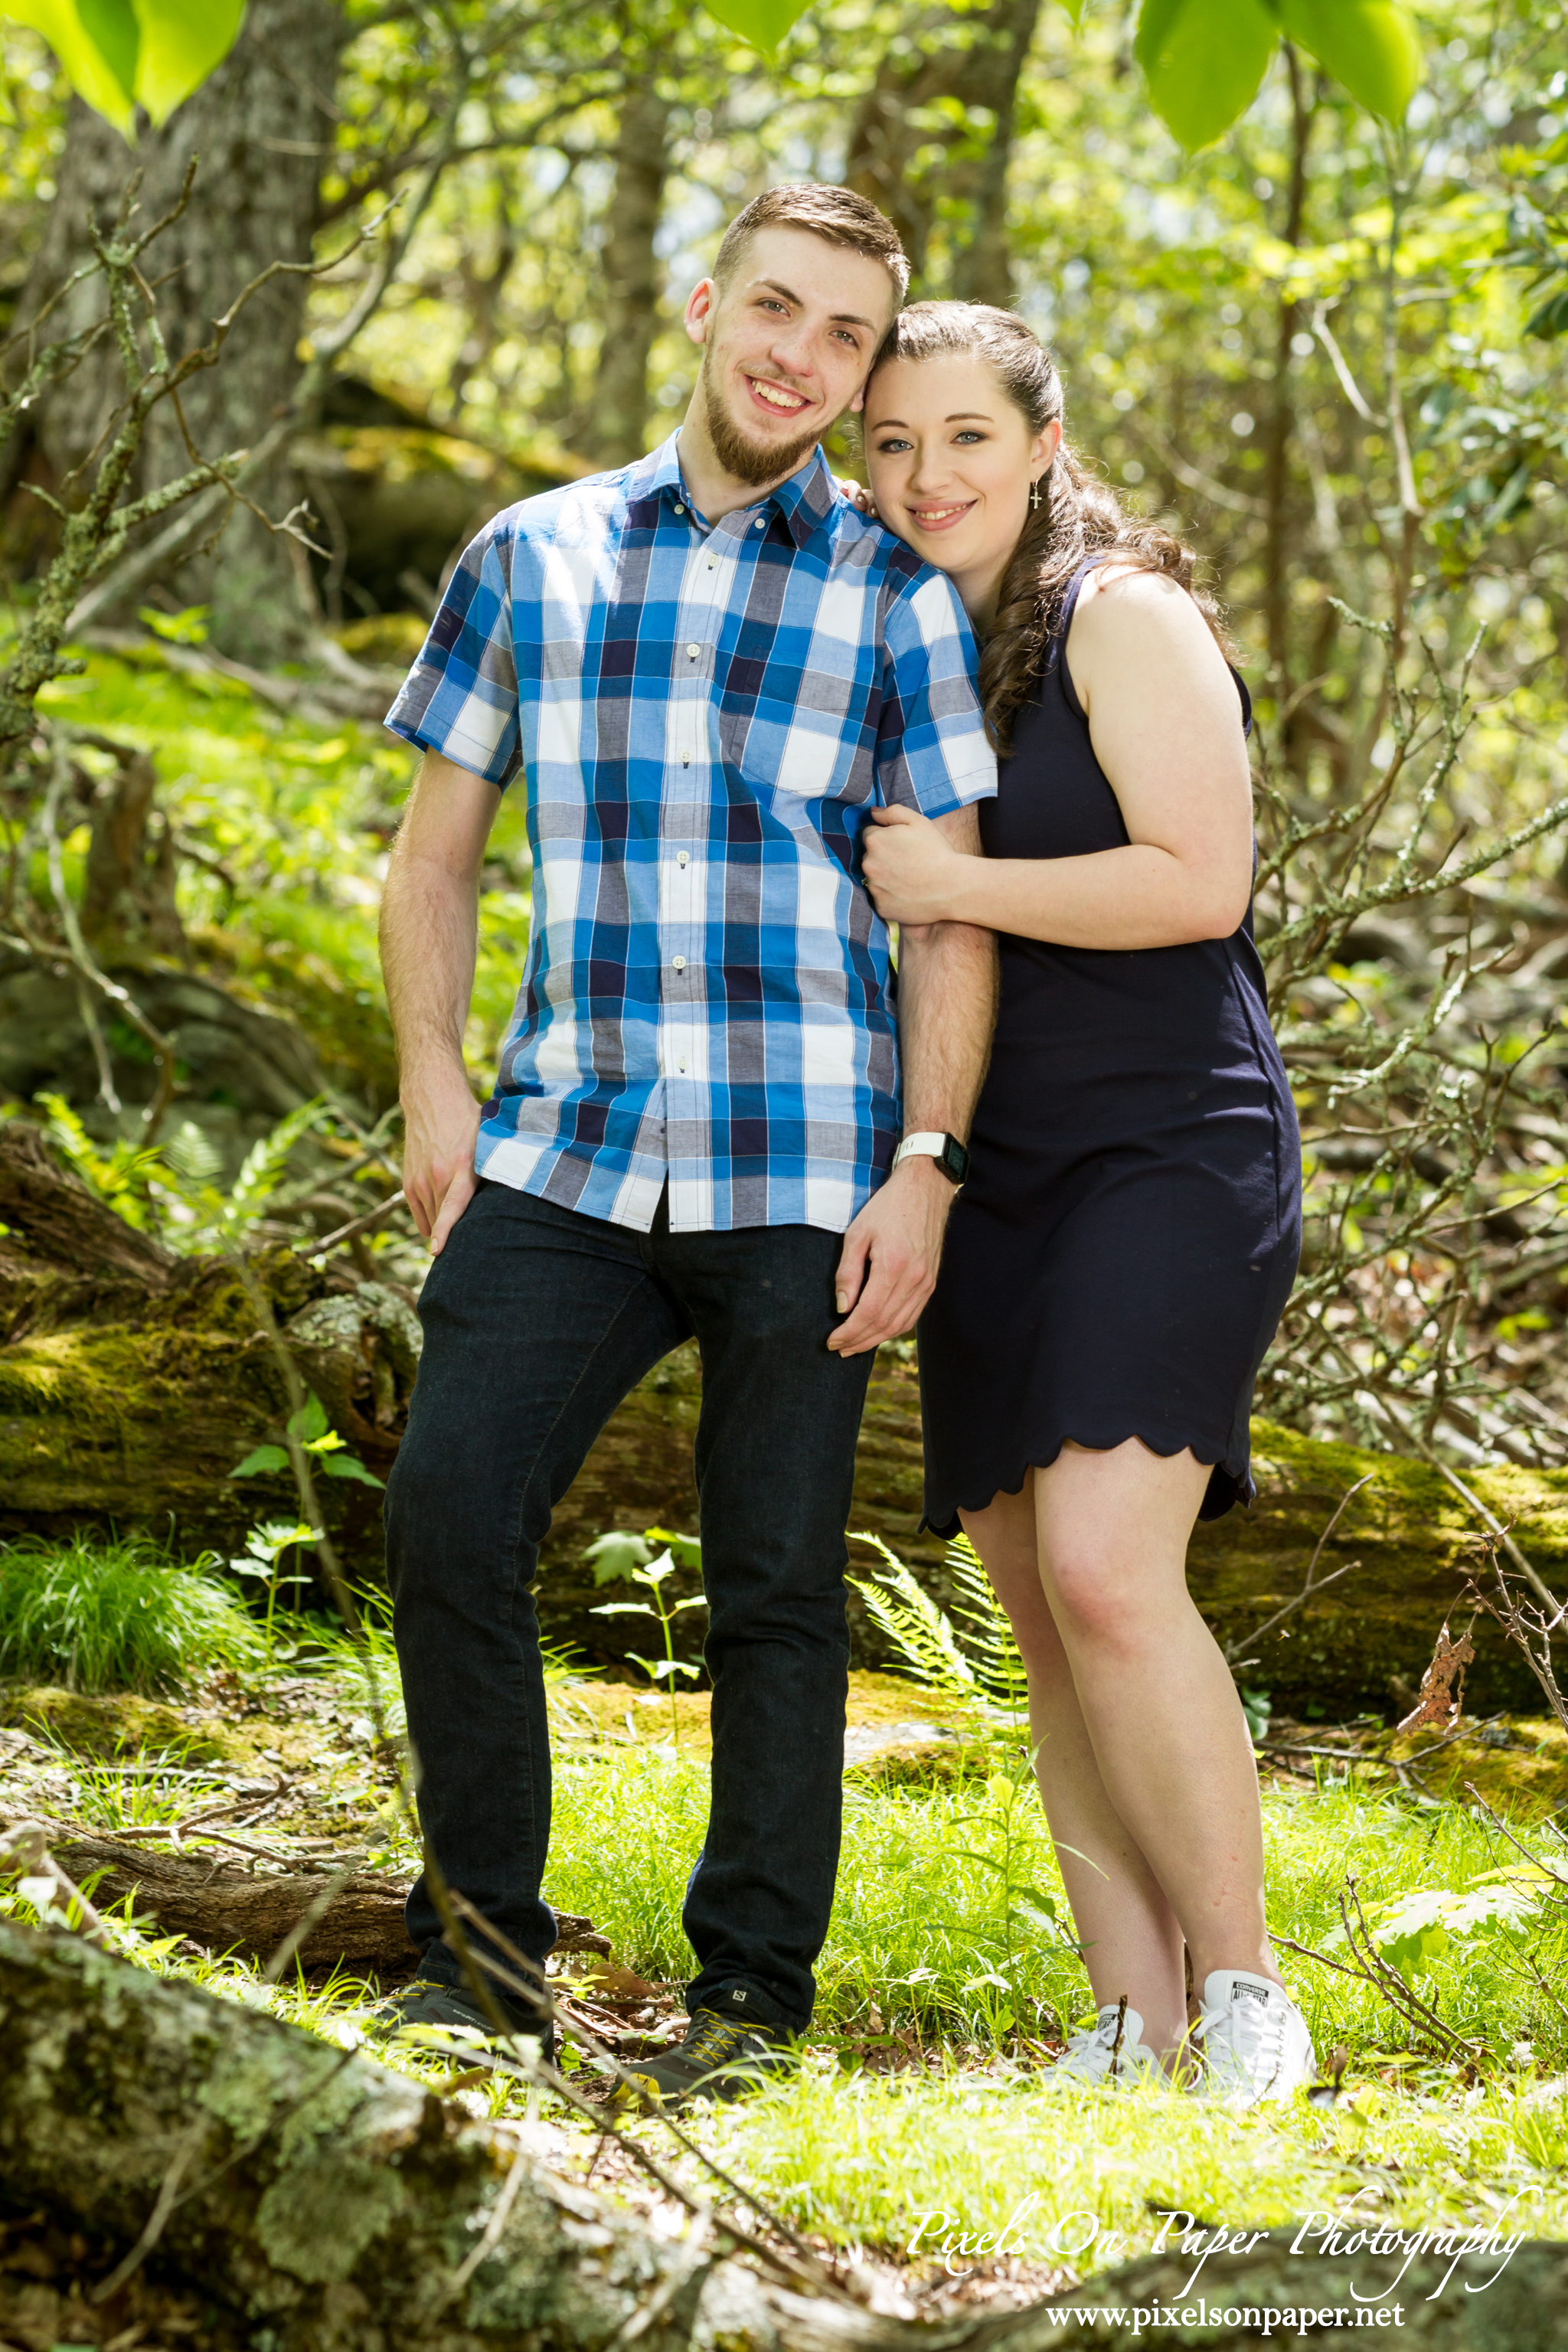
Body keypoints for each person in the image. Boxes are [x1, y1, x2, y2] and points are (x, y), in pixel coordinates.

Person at [375, 192, 998, 2105]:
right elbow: (434, 857)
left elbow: (948, 915)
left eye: (842, 339)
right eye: (776, 310)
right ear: (705, 302)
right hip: (565, 1145)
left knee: (779, 1586)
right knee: (446, 1515)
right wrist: (431, 1085)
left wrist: (927, 1160)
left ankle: (750, 1997)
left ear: (859, 373)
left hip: (805, 1162)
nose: (798, 357)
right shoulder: (530, 553)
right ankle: (482, 1961)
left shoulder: (896, 598)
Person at [855, 302, 1313, 2106]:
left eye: (963, 436)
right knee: (1039, 1604)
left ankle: (1252, 1999)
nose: (923, 477)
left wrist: (956, 874)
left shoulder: (1119, 615)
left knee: (1116, 1571)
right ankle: (1129, 2022)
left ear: (1040, 445)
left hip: (1167, 1146)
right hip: (985, 1167)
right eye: (888, 443)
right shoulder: (899, 645)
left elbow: (1201, 881)